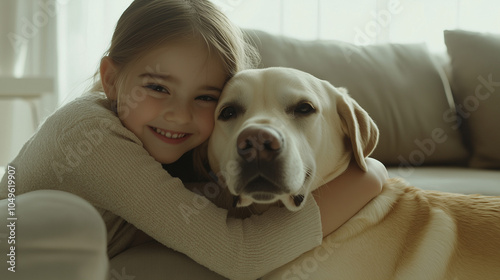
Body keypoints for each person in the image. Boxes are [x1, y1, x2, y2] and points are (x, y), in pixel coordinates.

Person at [0, 0, 387, 279]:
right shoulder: (90, 136)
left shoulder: (179, 143)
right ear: (113, 79)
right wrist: (369, 177)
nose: (181, 115)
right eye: (157, 87)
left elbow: (218, 213)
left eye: (206, 98)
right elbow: (242, 255)